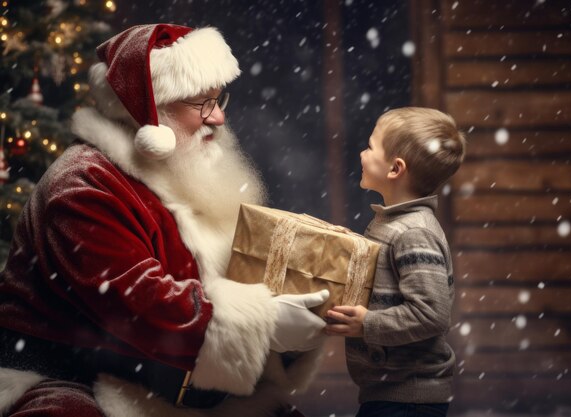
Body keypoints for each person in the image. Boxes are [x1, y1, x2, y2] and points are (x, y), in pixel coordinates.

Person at [0, 24, 329, 417]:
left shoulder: (181, 170)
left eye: (218, 98)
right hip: (73, 377)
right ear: (146, 112)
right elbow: (136, 304)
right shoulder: (83, 186)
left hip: (169, 379)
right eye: (200, 103)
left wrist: (285, 335)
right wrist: (265, 323)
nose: (219, 117)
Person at [324, 107, 466, 417]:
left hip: (407, 401)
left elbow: (431, 314)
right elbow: (383, 273)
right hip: (388, 395)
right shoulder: (393, 224)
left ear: (395, 169)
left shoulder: (414, 232)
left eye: (371, 147)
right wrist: (348, 247)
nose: (362, 153)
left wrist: (367, 324)